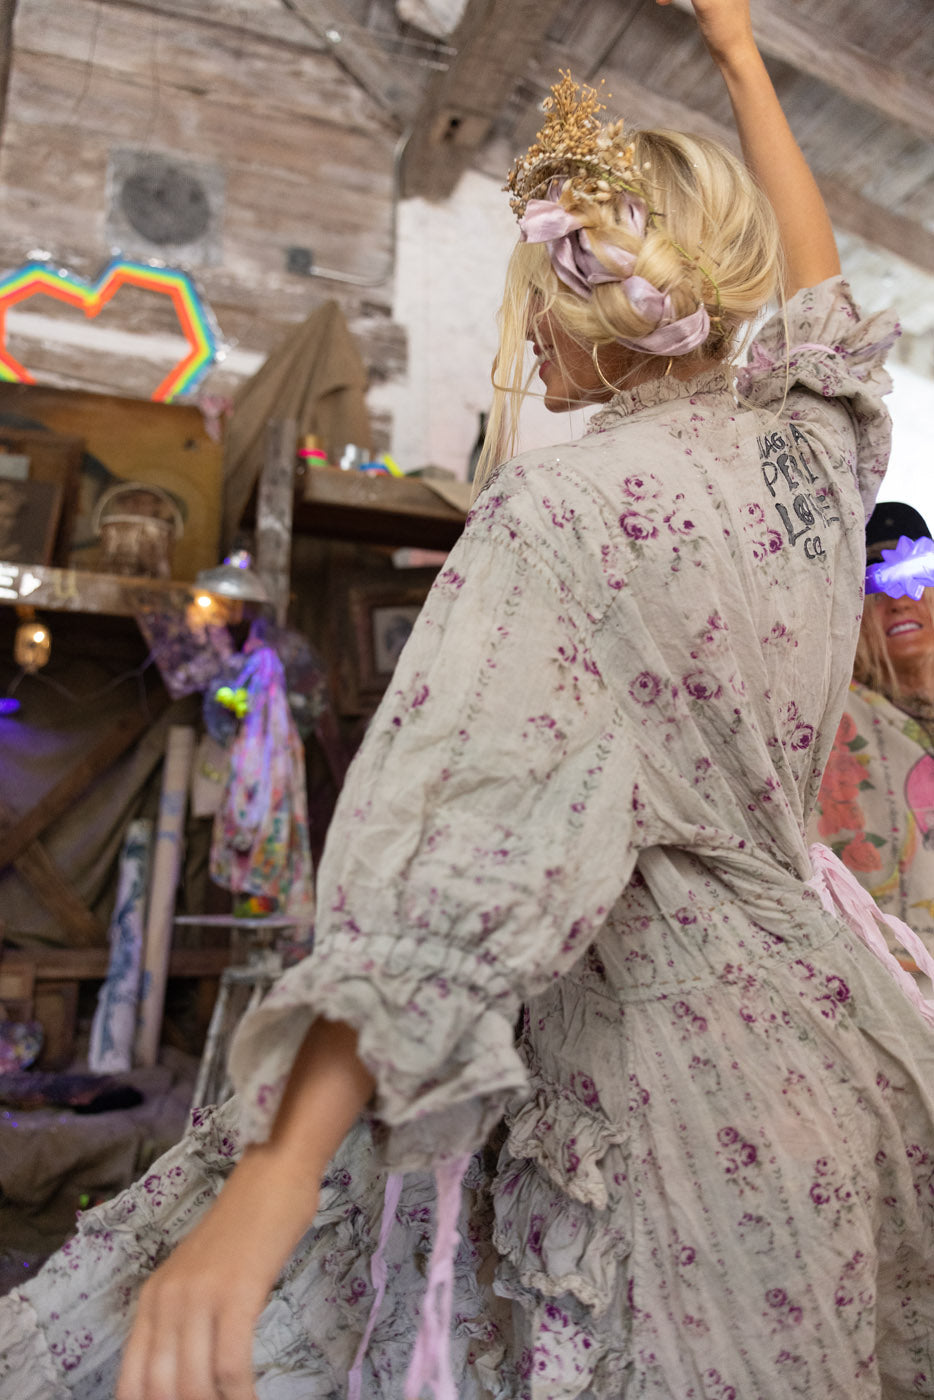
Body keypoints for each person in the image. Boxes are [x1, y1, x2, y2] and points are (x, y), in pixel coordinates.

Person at [2, 1, 932, 1397]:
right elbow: (815, 290)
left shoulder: (560, 514)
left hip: (651, 1099)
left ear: (597, 295)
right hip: (830, 1055)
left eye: (542, 297)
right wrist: (738, 51)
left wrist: (271, 1177)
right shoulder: (810, 463)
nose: (535, 343)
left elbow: (456, 861)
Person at [812, 501, 934, 981]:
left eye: (916, 571)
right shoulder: (827, 717)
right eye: (876, 581)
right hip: (886, 985)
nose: (899, 599)